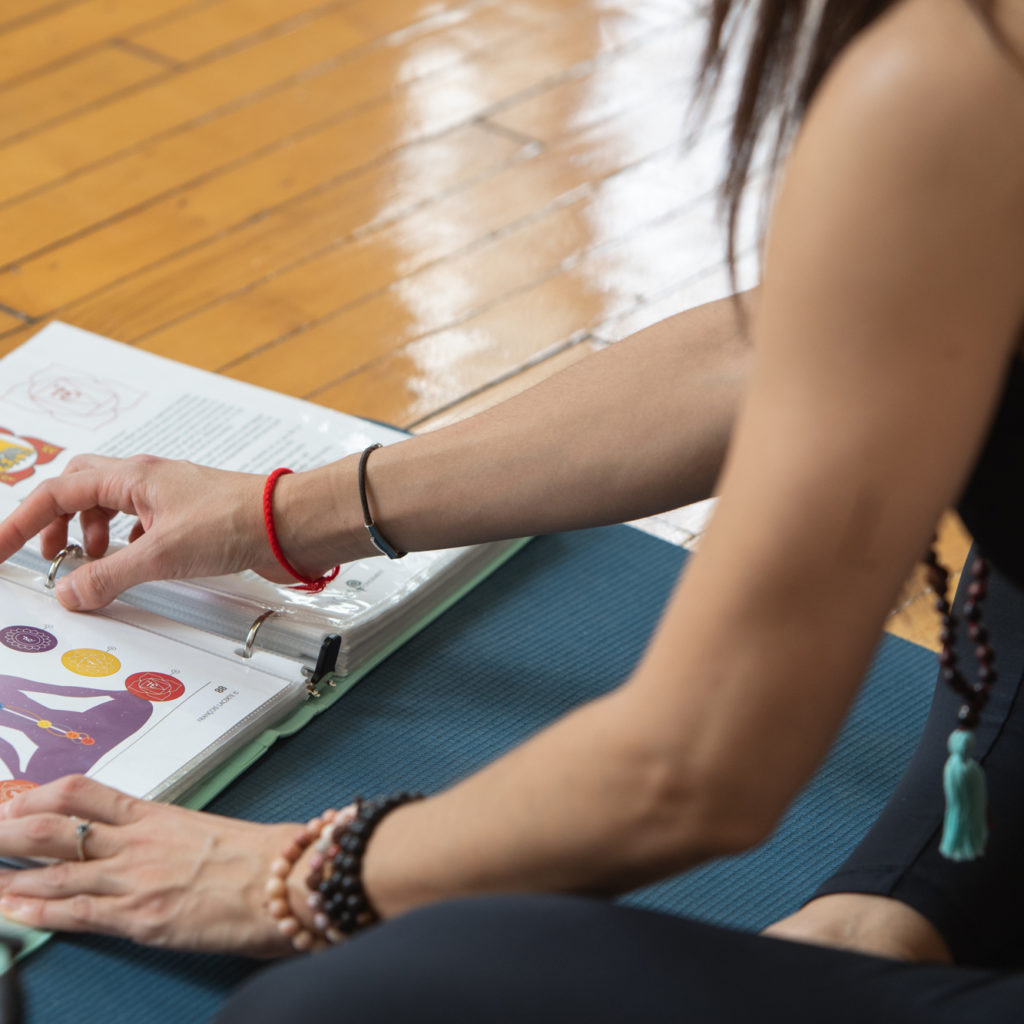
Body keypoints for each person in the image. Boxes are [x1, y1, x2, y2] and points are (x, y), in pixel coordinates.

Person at [0, 0, 1023, 1018]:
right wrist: (285, 511)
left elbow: (688, 771)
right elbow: (805, 335)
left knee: (334, 1006)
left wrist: (294, 879)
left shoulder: (953, 70)